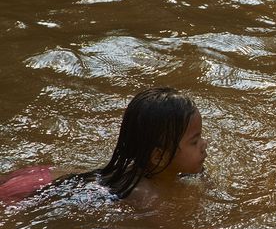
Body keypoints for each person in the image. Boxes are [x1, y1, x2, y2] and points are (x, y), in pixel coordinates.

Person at [0, 87, 208, 205]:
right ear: (158, 156)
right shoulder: (145, 195)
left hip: (40, 176)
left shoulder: (142, 170)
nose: (204, 144)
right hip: (28, 196)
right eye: (194, 141)